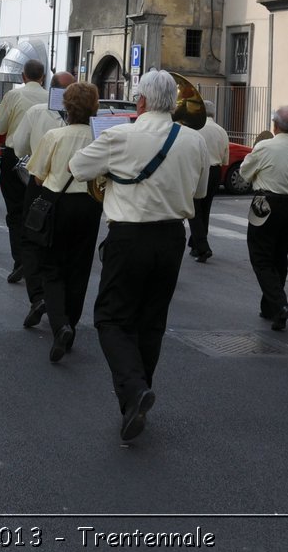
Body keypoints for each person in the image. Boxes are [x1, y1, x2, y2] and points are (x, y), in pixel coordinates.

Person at [69, 69, 211, 442]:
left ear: (142, 101)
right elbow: (200, 191)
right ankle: (137, 397)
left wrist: (114, 173)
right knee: (151, 321)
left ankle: (134, 391)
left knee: (111, 319)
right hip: (171, 239)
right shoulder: (194, 141)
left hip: (128, 236)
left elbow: (78, 167)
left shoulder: (120, 134)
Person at [26, 81, 103, 362]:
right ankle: (71, 321)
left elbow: (37, 175)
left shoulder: (54, 135)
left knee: (52, 266)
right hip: (90, 205)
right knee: (79, 268)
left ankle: (61, 326)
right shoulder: (100, 138)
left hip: (58, 202)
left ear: (66, 106)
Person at [239, 106, 288, 331]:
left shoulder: (264, 146)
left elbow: (244, 172)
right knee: (279, 255)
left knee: (260, 257)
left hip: (266, 203)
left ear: (274, 126)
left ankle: (279, 305)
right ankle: (270, 307)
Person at [0, 58, 51, 331]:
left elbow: (0, 126)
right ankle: (34, 263)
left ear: (22, 75)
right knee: (39, 214)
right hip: (46, 161)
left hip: (15, 156)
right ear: (42, 77)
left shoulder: (13, 95)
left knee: (15, 212)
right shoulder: (52, 98)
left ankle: (21, 259)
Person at [186, 110, 228, 262]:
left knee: (194, 209)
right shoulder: (221, 130)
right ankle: (196, 243)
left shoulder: (194, 129)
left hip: (198, 168)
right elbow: (225, 159)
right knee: (206, 208)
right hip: (215, 170)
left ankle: (202, 247)